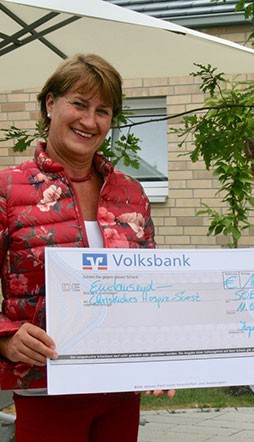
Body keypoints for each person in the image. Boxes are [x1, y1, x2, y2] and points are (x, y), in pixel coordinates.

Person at [0, 54, 174, 442]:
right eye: (79, 104)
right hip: (46, 388)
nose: (90, 121)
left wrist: (163, 351)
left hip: (120, 389)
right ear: (50, 103)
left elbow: (152, 288)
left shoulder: (131, 193)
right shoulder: (8, 190)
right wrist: (7, 337)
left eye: (103, 111)